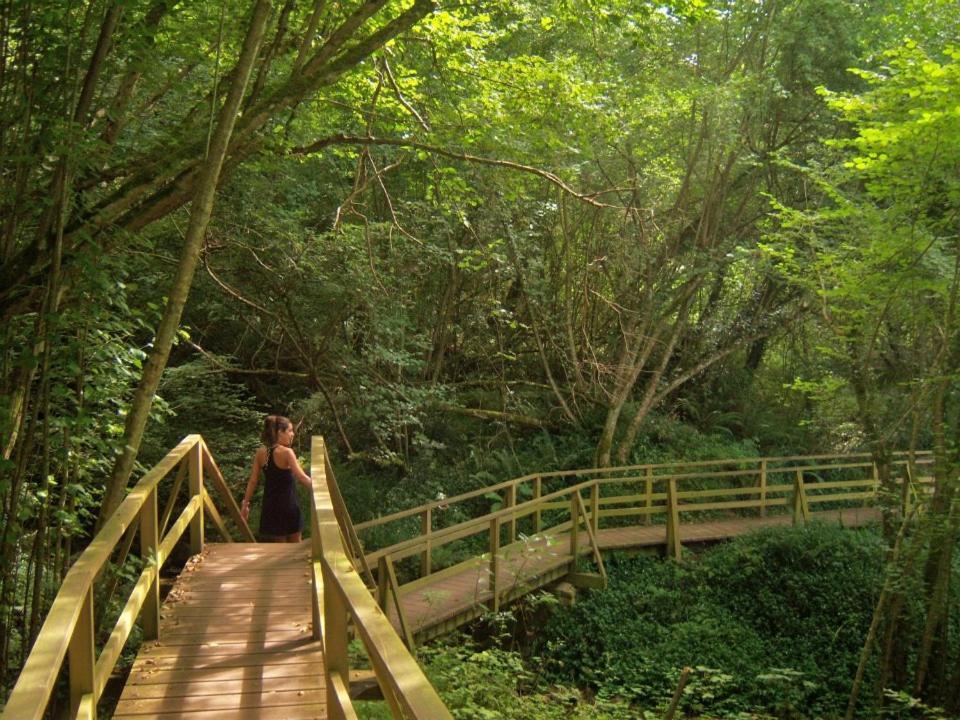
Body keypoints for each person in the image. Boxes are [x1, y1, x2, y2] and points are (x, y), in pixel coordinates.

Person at [241, 415, 312, 542]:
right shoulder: (287, 452)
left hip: (271, 507)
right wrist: (320, 488)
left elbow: (253, 481)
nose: (292, 434)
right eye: (290, 431)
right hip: (288, 506)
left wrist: (245, 504)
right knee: (295, 547)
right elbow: (301, 476)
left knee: (279, 549)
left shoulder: (260, 453)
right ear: (280, 432)